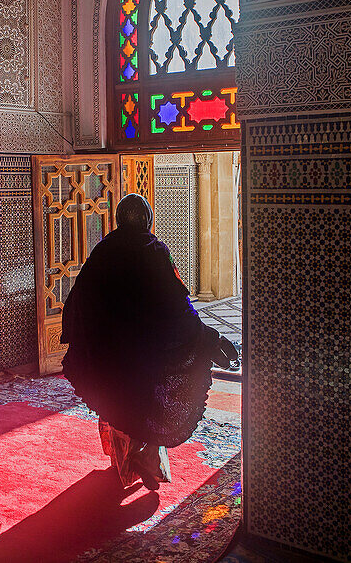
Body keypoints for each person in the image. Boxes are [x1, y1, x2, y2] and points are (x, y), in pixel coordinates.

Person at [60, 194, 238, 489]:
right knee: (152, 404)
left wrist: (79, 338)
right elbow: (177, 304)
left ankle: (129, 464)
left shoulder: (104, 250)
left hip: (110, 353)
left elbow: (78, 298)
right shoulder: (154, 249)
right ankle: (148, 457)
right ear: (147, 219)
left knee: (119, 403)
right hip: (148, 352)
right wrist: (206, 335)